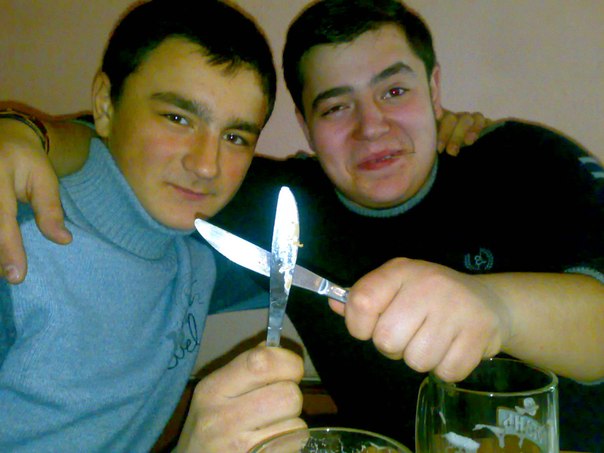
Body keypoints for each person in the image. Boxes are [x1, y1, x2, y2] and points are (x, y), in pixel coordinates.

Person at [3, 0, 601, 450]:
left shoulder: (521, 160)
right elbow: (121, 153)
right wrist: (21, 130)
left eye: (395, 90)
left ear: (434, 88)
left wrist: (495, 307)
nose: (372, 127)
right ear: (305, 125)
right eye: (336, 106)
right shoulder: (269, 205)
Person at [0, 1, 310, 451]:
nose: (206, 165)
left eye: (235, 137)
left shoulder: (198, 258)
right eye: (177, 118)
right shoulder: (14, 239)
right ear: (105, 105)